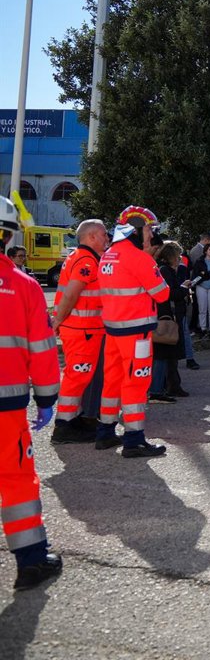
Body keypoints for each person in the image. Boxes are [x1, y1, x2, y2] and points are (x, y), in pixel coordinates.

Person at [0, 195, 64, 590]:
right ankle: (31, 562)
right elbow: (41, 350)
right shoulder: (23, 286)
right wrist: (46, 398)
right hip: (6, 407)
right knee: (16, 480)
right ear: (8, 236)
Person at [96, 206, 172, 458]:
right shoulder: (139, 258)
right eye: (150, 230)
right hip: (136, 332)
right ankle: (134, 439)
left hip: (113, 330)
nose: (152, 236)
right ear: (137, 230)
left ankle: (105, 432)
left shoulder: (108, 255)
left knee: (112, 381)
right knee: (136, 383)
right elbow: (162, 294)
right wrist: (152, 263)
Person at [50, 219, 108, 443]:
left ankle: (71, 419)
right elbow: (72, 293)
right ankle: (64, 426)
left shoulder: (78, 256)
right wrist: (57, 320)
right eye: (103, 234)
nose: (107, 238)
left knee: (78, 376)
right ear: (91, 236)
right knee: (77, 376)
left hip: (81, 328)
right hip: (82, 329)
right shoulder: (86, 260)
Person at [147, 242, 191, 403]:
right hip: (166, 317)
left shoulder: (164, 269)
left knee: (168, 354)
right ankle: (160, 389)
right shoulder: (165, 271)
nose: (180, 259)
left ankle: (168, 386)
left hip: (167, 315)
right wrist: (184, 288)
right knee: (164, 353)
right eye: (178, 256)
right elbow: (168, 294)